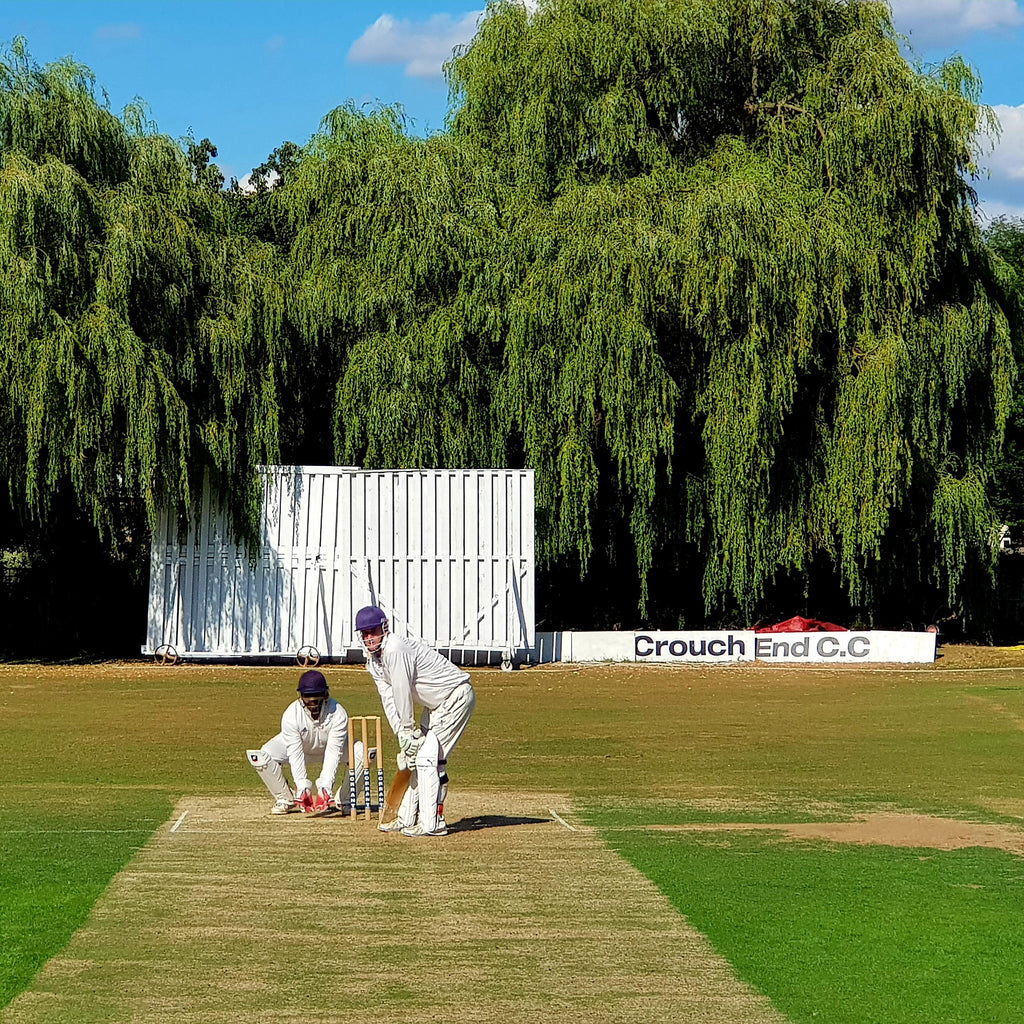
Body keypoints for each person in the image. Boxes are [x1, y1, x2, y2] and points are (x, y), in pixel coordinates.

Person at [354, 604, 476, 837]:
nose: (369, 638)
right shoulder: (373, 662)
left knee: (427, 758)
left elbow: (402, 690)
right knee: (415, 759)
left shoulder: (395, 649)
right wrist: (402, 735)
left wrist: (409, 729)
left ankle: (432, 824)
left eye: (372, 631)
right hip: (436, 706)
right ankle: (406, 817)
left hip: (456, 696)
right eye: (364, 634)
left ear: (384, 628)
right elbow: (389, 699)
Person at [246, 669, 365, 815]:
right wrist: (302, 787)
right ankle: (286, 799)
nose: (312, 702)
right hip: (301, 749)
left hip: (330, 749)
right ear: (301, 696)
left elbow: (334, 751)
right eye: (307, 697)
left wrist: (325, 787)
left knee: (363, 753)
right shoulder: (291, 715)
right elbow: (294, 753)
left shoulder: (338, 713)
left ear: (325, 695)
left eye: (316, 697)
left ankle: (344, 799)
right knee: (263, 755)